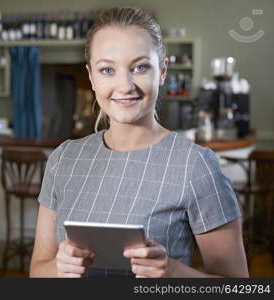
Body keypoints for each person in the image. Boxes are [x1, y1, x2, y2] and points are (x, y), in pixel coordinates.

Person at [29, 7, 248, 278]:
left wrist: (172, 273)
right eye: (107, 69)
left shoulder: (195, 165)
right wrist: (57, 268)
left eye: (140, 67)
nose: (125, 85)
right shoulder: (63, 159)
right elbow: (38, 272)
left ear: (163, 72)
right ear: (91, 78)